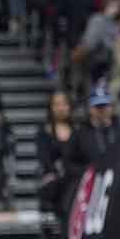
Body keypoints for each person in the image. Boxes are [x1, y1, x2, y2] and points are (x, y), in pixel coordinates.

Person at [36, 91, 78, 220]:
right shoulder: (44, 132)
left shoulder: (79, 131)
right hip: (54, 178)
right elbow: (45, 159)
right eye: (56, 104)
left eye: (64, 104)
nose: (61, 108)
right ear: (51, 108)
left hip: (75, 176)